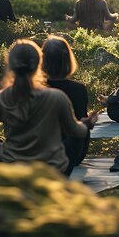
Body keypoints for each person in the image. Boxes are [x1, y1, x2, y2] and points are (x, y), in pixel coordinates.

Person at [0, 39, 98, 176]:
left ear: (10, 65)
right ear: (39, 64)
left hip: (14, 166)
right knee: (77, 137)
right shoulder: (57, 97)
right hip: (50, 170)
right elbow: (76, 131)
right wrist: (86, 125)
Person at [42, 35, 89, 167]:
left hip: (41, 151)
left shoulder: (36, 89)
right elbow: (82, 124)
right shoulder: (79, 89)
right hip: (73, 152)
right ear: (68, 60)